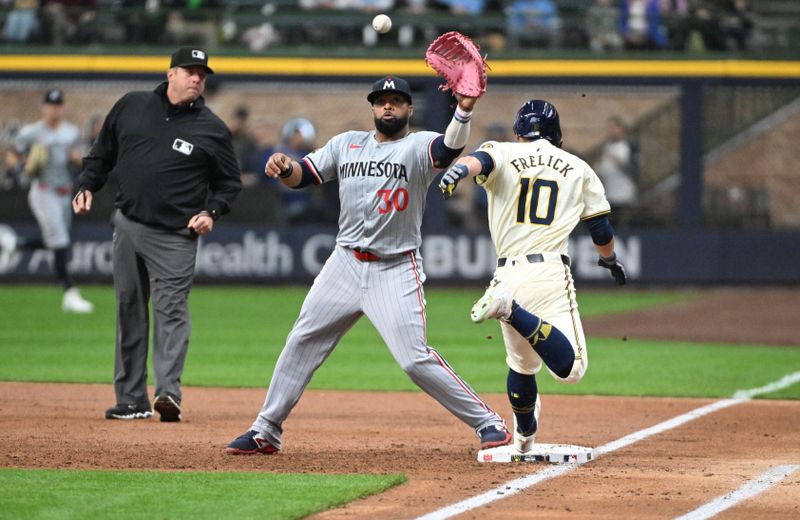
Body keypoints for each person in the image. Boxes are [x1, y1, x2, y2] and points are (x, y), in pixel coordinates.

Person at [226, 75, 511, 455]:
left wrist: (463, 109)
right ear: (373, 108)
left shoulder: (418, 144)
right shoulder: (347, 144)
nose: (387, 106)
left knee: (413, 359)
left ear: (409, 108)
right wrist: (284, 165)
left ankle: (487, 421)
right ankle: (265, 430)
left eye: (396, 100)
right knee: (302, 341)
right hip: (344, 262)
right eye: (380, 101)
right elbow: (304, 176)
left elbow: (448, 150)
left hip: (394, 267)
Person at [437, 99, 627, 454]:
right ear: (556, 133)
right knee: (572, 369)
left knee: (522, 365)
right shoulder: (578, 166)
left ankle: (524, 440)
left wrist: (460, 171)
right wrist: (610, 259)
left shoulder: (503, 151)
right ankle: (510, 309)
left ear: (519, 131)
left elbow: (480, 160)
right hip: (549, 272)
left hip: (507, 273)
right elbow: (600, 228)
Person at [72, 47, 242, 422]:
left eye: (203, 73)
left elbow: (229, 184)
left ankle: (168, 394)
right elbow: (101, 154)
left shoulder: (211, 128)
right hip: (128, 225)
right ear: (170, 74)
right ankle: (131, 400)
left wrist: (211, 212)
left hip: (176, 236)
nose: (197, 78)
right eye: (190, 71)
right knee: (129, 310)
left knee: (171, 312)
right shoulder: (132, 106)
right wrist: (86, 185)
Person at [5, 88, 94, 313]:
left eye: (58, 105)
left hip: (65, 192)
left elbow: (80, 159)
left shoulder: (70, 132)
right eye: (50, 105)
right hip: (43, 191)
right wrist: (20, 167)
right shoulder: (32, 132)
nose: (54, 109)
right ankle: (69, 293)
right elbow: (11, 153)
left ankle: (17, 245)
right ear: (44, 107)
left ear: (62, 107)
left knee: (56, 240)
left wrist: (77, 159)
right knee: (60, 240)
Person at [594, 116, 638, 226]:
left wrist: (618, 162)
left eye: (614, 128)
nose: (611, 131)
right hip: (610, 195)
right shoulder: (607, 146)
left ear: (621, 129)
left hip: (624, 195)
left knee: (623, 225)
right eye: (609, 128)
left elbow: (634, 170)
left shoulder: (628, 146)